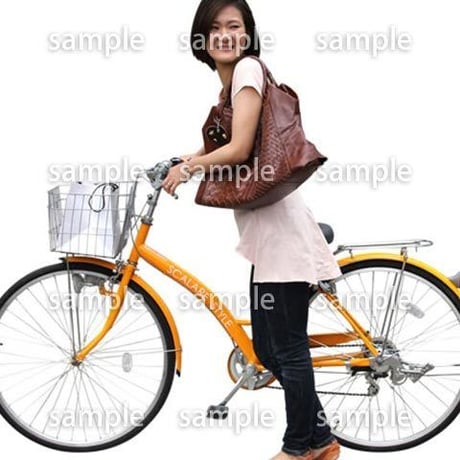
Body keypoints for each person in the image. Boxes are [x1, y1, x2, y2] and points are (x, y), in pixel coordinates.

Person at [162, 1, 341, 459]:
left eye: (234, 26)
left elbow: (240, 149)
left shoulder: (246, 71)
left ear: (247, 34)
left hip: (282, 237)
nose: (225, 34)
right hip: (269, 238)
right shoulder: (229, 88)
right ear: (201, 39)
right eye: (214, 28)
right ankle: (322, 441)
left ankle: (299, 447)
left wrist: (190, 168)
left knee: (288, 348)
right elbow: (223, 147)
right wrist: (181, 160)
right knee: (268, 348)